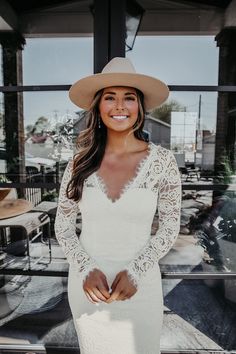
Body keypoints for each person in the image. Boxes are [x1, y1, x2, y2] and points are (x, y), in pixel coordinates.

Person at [54, 57, 182, 354]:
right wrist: (84, 268)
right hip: (88, 289)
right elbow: (63, 224)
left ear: (140, 107)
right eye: (110, 97)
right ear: (98, 107)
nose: (120, 106)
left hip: (142, 287)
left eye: (129, 98)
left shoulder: (163, 162)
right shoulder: (78, 163)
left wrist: (136, 271)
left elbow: (170, 225)